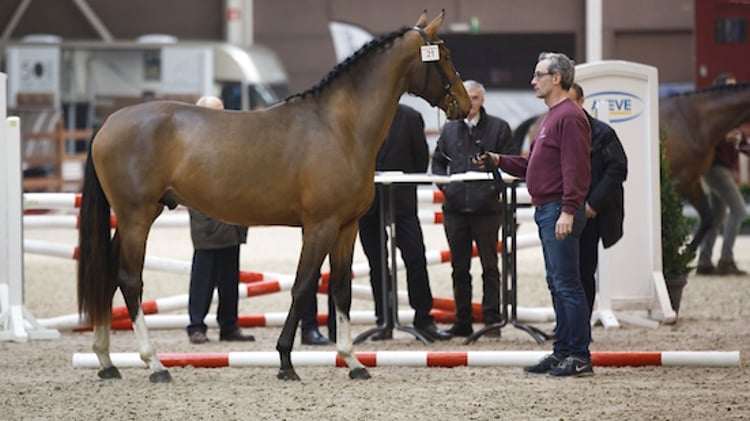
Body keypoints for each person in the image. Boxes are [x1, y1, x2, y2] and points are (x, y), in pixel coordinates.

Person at [481, 52, 593, 376]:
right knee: (558, 283)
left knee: (568, 284)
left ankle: (579, 355)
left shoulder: (568, 117)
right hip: (550, 208)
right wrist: (499, 160)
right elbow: (533, 166)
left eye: (538, 74)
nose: (533, 81)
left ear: (556, 78)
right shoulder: (552, 117)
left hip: (558, 209)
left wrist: (569, 210)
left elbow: (577, 169)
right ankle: (563, 351)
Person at [358, 104, 452, 341]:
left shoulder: (411, 117)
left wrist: (405, 185)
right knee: (377, 263)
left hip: (402, 202)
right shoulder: (360, 115)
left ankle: (423, 319)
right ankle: (384, 319)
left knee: (415, 256)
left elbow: (420, 158)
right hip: (367, 202)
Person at [431, 80, 517, 338]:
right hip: (455, 208)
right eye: (467, 98)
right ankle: (463, 320)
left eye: (476, 98)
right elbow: (437, 162)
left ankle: (491, 320)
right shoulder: (449, 129)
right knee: (459, 268)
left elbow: (511, 163)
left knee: (490, 267)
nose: (471, 103)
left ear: (483, 100)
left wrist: (493, 188)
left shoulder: (500, 128)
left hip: (488, 209)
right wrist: (447, 188)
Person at [186, 96, 256, 344]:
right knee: (203, 274)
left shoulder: (231, 141)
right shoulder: (192, 143)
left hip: (232, 218)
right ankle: (196, 325)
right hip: (207, 217)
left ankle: (229, 324)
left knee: (229, 276)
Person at [568, 82, 629, 318]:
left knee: (584, 272)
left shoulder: (602, 133)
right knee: (560, 274)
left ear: (582, 102)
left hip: (586, 214)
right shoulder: (553, 128)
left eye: (572, 102)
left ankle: (581, 326)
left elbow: (618, 169)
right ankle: (565, 325)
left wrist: (594, 203)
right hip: (560, 210)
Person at [696, 72, 748, 276]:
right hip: (715, 168)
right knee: (739, 209)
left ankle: (704, 262)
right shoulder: (714, 111)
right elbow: (707, 135)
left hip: (721, 168)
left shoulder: (728, 111)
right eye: (730, 86)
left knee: (717, 217)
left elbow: (738, 138)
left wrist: (738, 137)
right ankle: (726, 260)